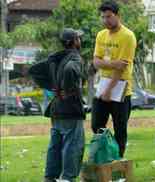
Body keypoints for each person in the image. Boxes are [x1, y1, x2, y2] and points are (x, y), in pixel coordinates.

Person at [37, 28, 85, 182]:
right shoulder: (75, 58)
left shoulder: (55, 58)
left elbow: (36, 71)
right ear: (74, 42)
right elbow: (71, 69)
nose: (80, 40)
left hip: (56, 108)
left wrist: (54, 88)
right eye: (78, 38)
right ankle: (67, 178)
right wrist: (70, 89)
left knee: (55, 146)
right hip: (70, 109)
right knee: (73, 146)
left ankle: (50, 178)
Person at [91, 0, 137, 158]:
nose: (105, 20)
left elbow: (122, 68)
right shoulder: (101, 35)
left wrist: (109, 90)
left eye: (109, 17)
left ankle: (118, 160)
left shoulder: (128, 36)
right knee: (96, 124)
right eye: (103, 17)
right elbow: (96, 62)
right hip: (103, 84)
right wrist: (112, 63)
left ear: (118, 15)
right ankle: (105, 153)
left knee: (120, 128)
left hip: (121, 88)